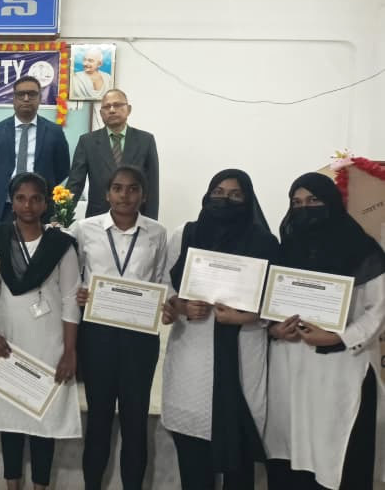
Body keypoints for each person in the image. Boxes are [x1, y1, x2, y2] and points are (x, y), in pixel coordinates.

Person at [264, 172, 384, 490]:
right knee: (290, 451)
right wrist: (274, 328)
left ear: (331, 202)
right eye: (297, 203)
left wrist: (339, 337)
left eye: (314, 200)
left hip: (340, 369)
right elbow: (266, 305)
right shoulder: (284, 250)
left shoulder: (363, 252)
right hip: (289, 369)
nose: (304, 209)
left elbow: (379, 310)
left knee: (334, 454)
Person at [159, 170, 278, 490]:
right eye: (218, 192)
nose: (225, 200)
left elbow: (276, 304)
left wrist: (247, 317)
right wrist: (182, 305)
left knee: (239, 464)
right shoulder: (185, 234)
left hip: (242, 359)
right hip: (191, 361)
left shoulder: (264, 243)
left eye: (235, 195)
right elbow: (166, 286)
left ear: (248, 200)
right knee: (193, 462)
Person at [0, 172, 81, 490]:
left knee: (42, 419)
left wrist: (69, 351)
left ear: (46, 203)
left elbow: (70, 299)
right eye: (21, 198)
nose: (28, 205)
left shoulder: (61, 245)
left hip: (49, 344)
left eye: (36, 198)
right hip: (8, 340)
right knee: (11, 418)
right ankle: (12, 484)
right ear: (12, 201)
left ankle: (40, 485)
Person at [72, 165, 167, 490]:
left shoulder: (156, 232)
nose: (124, 195)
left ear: (144, 195)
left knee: (135, 420)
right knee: (98, 418)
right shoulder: (85, 229)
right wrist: (79, 293)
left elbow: (160, 280)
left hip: (140, 339)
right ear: (106, 193)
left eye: (132, 189)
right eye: (117, 188)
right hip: (97, 336)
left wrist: (165, 304)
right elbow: (73, 275)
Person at [0, 75, 70, 227]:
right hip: (3, 207)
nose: (26, 99)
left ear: (40, 98)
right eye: (21, 94)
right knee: (2, 242)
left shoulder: (54, 132)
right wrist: (2, 185)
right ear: (13, 99)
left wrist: (42, 188)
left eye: (32, 94)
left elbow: (63, 169)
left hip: (41, 208)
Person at [66, 89, 160, 219]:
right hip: (98, 218)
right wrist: (62, 216)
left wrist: (151, 222)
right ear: (101, 113)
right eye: (106, 107)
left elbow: (152, 187)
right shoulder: (87, 142)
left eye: (117, 105)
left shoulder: (145, 140)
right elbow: (75, 184)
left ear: (128, 109)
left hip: (135, 218)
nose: (111, 110)